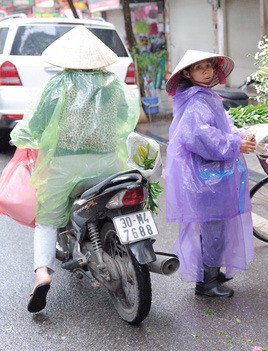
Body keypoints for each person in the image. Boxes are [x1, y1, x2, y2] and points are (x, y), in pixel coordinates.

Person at [10, 26, 140, 313]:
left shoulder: (58, 85)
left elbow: (36, 124)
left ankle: (42, 273)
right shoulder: (113, 84)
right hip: (107, 162)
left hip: (65, 165)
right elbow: (125, 119)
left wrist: (20, 137)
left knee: (46, 219)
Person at [165, 50, 255, 297]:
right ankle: (206, 282)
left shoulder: (205, 96)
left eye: (208, 66)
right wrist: (235, 144)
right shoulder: (196, 100)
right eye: (199, 68)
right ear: (187, 73)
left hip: (212, 175)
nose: (206, 71)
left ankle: (212, 274)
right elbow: (200, 136)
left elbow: (222, 126)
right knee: (213, 228)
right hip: (205, 177)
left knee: (217, 226)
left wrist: (239, 135)